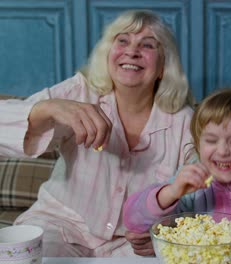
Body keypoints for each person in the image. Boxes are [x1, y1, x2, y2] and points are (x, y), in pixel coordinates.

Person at [0, 10, 194, 257]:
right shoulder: (80, 92)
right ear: (107, 54)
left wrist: (171, 226)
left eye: (147, 45)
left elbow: (201, 194)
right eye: (122, 41)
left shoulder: (184, 121)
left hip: (131, 245)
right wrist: (48, 108)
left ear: (163, 68)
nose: (131, 51)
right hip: (60, 226)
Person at [123, 88, 231, 255]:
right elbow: (134, 221)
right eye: (211, 140)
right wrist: (171, 192)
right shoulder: (190, 180)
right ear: (198, 144)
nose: (222, 151)